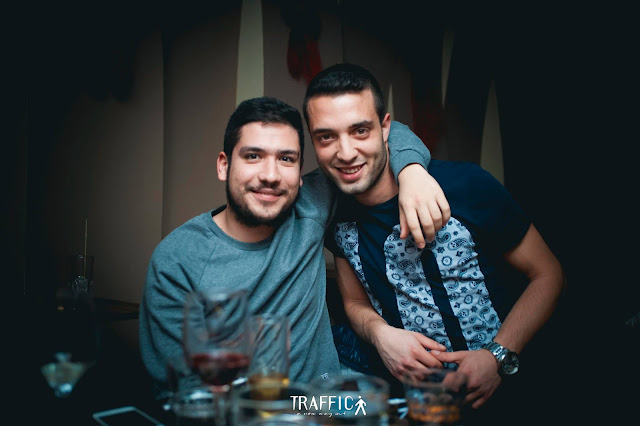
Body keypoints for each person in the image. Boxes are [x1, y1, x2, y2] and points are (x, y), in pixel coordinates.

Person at [139, 96, 450, 398]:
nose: (270, 176)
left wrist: (412, 172)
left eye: (286, 159)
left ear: (301, 175)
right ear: (224, 165)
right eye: (253, 156)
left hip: (326, 403)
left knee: (393, 411)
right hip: (241, 413)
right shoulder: (178, 259)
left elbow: (386, 131)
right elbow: (182, 392)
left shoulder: (311, 205)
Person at [304, 63, 565, 412]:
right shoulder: (335, 211)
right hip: (417, 403)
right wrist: (380, 335)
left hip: (509, 392)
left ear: (386, 128)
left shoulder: (465, 185)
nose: (346, 152)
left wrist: (498, 355)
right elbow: (354, 301)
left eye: (360, 130)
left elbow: (548, 274)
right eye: (326, 137)